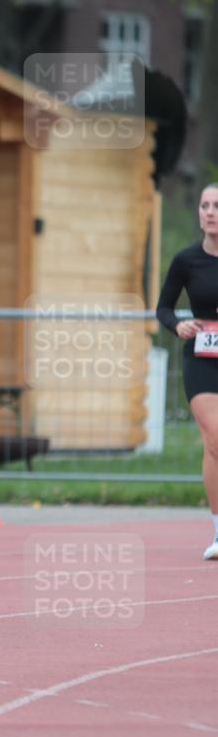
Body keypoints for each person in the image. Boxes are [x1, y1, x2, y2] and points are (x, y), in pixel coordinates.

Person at [156, 182, 218, 560]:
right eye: (204, 205)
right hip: (201, 357)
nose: (210, 212)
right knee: (215, 437)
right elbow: (163, 307)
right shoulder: (186, 260)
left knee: (215, 447)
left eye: (217, 206)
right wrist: (177, 324)